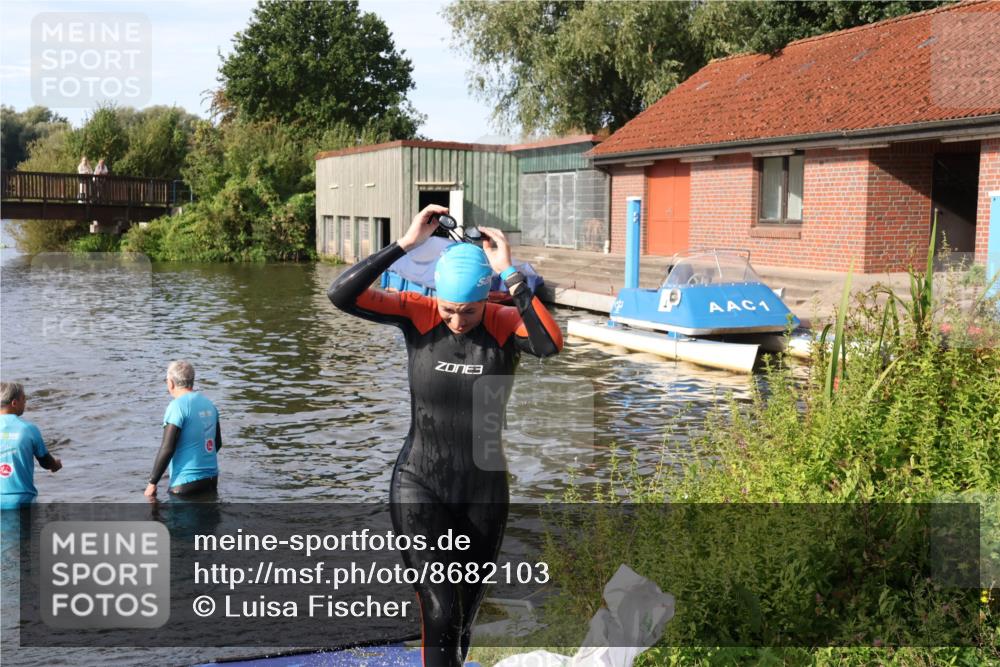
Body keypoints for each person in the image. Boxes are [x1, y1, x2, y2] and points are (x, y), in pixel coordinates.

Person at [327, 205, 563, 667]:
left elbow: (548, 344)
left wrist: (509, 271)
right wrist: (406, 244)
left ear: (486, 299)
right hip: (420, 483)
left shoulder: (503, 322)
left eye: (468, 310)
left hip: (483, 491)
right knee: (439, 609)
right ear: (436, 296)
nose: (457, 320)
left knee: (464, 617)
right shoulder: (417, 314)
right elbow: (341, 294)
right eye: (449, 309)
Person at [144, 360, 222, 499]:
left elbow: (167, 448)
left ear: (171, 383)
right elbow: (218, 443)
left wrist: (152, 482)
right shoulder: (209, 404)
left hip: (185, 484)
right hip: (211, 480)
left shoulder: (177, 406)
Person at [0, 382, 62, 510]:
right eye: (23, 399)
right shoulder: (28, 429)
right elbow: (45, 461)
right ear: (14, 403)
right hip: (22, 499)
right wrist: (55, 465)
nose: (25, 403)